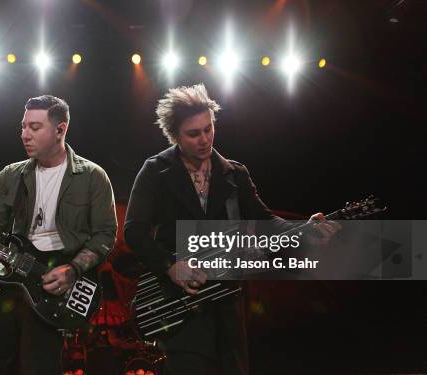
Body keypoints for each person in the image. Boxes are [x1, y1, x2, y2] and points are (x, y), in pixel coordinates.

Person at [124, 83, 340, 375]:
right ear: (174, 135)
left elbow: (266, 222)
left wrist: (306, 227)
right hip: (179, 304)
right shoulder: (155, 171)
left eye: (208, 129)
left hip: (227, 302)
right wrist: (171, 266)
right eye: (193, 133)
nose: (204, 139)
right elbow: (134, 232)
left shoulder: (235, 174)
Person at [0, 95, 118, 375]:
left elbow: (105, 235)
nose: (25, 134)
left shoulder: (93, 177)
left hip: (54, 285)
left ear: (60, 130)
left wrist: (73, 270)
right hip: (11, 274)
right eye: (23, 126)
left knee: (38, 366)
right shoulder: (10, 176)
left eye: (35, 127)